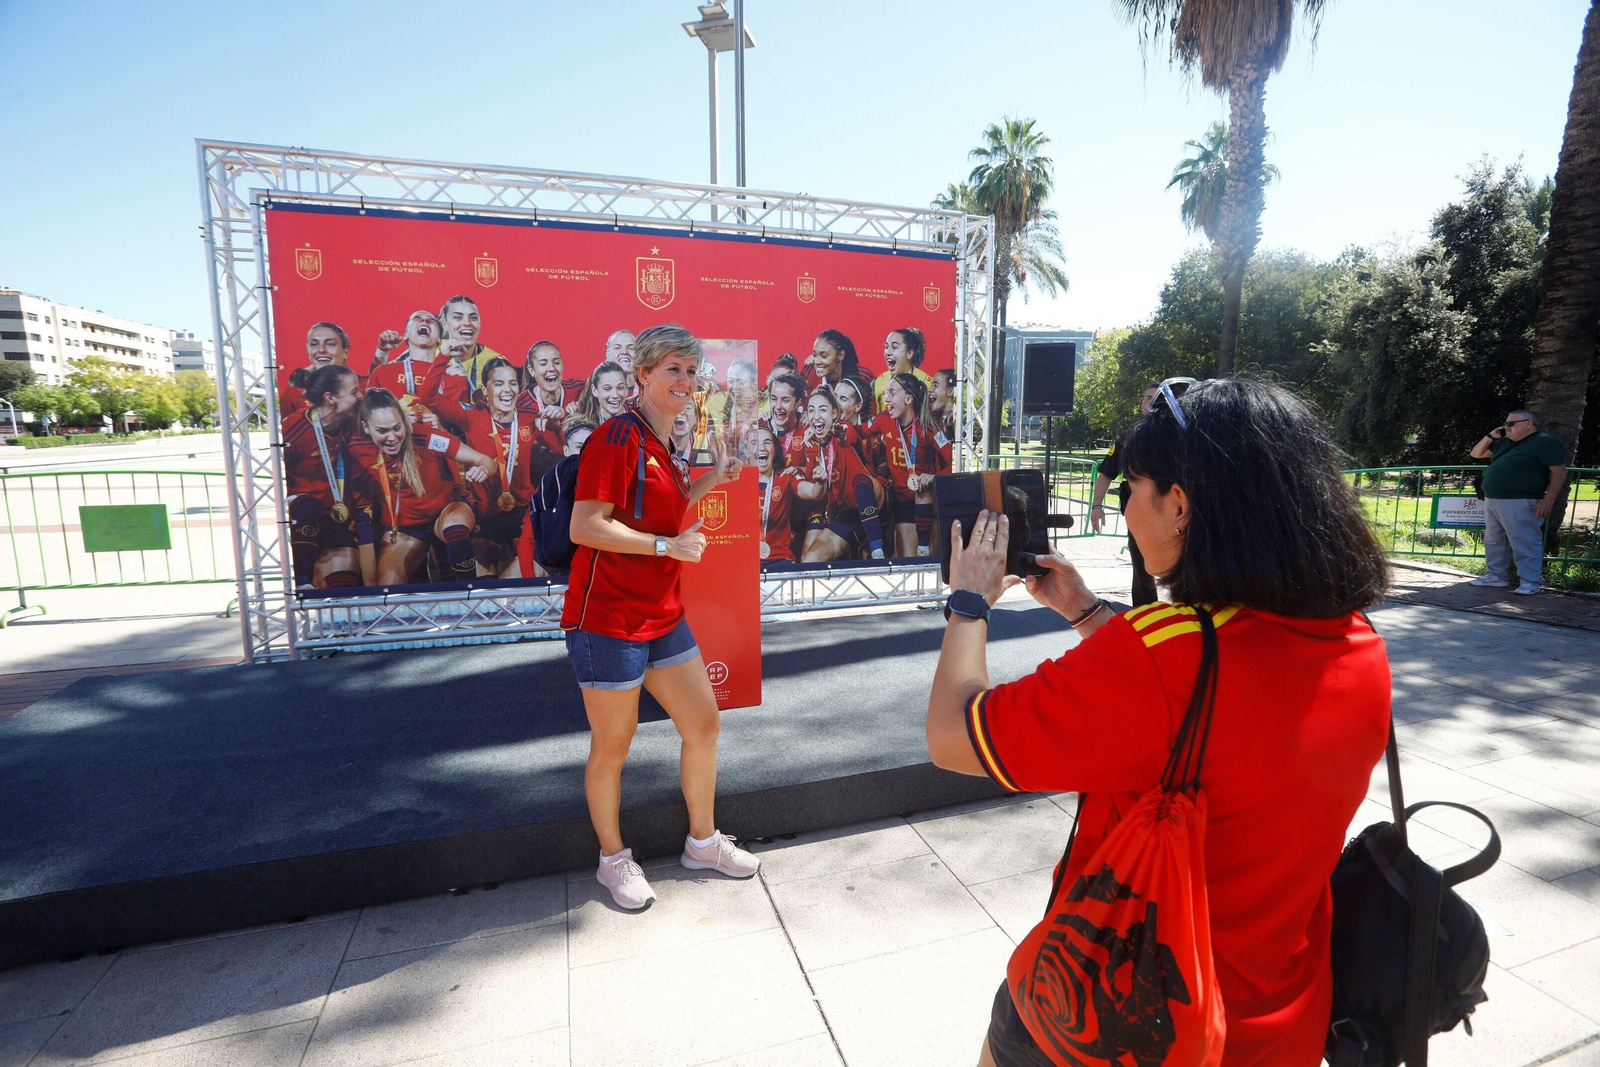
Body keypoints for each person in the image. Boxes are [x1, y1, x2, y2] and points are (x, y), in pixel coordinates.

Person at [925, 378, 1391, 1067]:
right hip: (1281, 1021)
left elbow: (955, 735)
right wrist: (1088, 614)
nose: (1124, 508)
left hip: (1121, 1021)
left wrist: (969, 601)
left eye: (1130, 489)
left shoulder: (1160, 654)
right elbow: (1209, 707)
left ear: (1179, 505)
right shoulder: (1360, 643)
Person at [562, 324, 758, 910]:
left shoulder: (663, 437)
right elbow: (586, 526)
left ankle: (702, 843)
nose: (685, 382)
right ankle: (612, 862)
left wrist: (709, 481)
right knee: (613, 746)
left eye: (692, 372)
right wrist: (664, 550)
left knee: (703, 725)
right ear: (642, 374)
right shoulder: (616, 437)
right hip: (607, 619)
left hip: (660, 612)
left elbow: (659, 511)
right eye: (673, 369)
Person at [347, 388, 493, 586]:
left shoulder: (426, 437)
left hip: (445, 512)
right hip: (406, 527)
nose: (392, 437)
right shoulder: (356, 448)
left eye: (397, 427)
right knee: (387, 592)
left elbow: (486, 461)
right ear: (366, 428)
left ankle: (468, 597)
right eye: (382, 431)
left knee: (455, 529)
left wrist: (483, 468)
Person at [460, 359, 551, 578]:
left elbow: (563, 446)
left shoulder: (531, 419)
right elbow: (432, 399)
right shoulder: (471, 419)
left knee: (512, 587)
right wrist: (444, 359)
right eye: (499, 383)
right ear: (485, 390)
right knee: (483, 591)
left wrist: (558, 419)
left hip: (522, 514)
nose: (508, 390)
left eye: (513, 383)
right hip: (486, 518)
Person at [1468, 409, 1569, 595]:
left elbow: (1559, 472)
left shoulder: (1544, 442)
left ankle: (1530, 581)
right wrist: (1491, 435)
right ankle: (1496, 576)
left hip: (1520, 499)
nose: (1507, 427)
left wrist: (1548, 500)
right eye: (1505, 424)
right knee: (1494, 540)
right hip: (1493, 498)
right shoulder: (1504, 443)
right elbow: (1476, 453)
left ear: (1528, 423)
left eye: (1511, 424)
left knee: (1525, 541)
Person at [281, 364, 363, 589]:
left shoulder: (353, 423)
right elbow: (272, 477)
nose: (360, 396)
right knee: (307, 506)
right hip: (304, 519)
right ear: (330, 398)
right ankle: (303, 583)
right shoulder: (295, 429)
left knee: (342, 590)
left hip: (337, 518)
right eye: (354, 392)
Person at [793, 387, 888, 562]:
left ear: (834, 413)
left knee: (861, 481)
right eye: (811, 410)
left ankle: (877, 550)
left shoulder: (844, 427)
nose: (816, 416)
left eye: (823, 409)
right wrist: (809, 474)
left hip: (876, 502)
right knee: (810, 560)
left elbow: (847, 437)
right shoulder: (812, 446)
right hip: (847, 514)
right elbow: (814, 485)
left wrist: (842, 435)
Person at [1090, 383, 1163, 607]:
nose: (1146, 402)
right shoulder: (1130, 436)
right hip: (1139, 512)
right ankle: (1144, 614)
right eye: (1145, 397)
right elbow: (1106, 473)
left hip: (1173, 513)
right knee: (1142, 569)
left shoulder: (1182, 434)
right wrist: (1096, 506)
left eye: (1153, 398)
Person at [863, 373, 947, 556]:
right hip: (901, 502)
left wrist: (934, 477)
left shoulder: (929, 428)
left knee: (922, 491)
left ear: (908, 399)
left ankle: (925, 543)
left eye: (892, 393)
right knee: (907, 564)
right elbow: (859, 432)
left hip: (925, 502)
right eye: (886, 393)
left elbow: (951, 464)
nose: (886, 398)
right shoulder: (884, 420)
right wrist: (841, 428)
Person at [751, 425, 819, 563]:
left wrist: (821, 482)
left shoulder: (785, 477)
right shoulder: (736, 483)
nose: (761, 447)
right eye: (754, 443)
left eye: (767, 442)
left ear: (775, 450)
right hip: (747, 559)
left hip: (780, 558)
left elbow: (814, 493)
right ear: (745, 450)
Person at [281, 322, 356, 418]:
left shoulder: (362, 388)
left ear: (345, 352)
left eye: (330, 344)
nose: (321, 350)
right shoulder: (294, 394)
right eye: (314, 344)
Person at [438, 295, 505, 397]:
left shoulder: (496, 363)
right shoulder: (430, 351)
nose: (467, 323)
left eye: (473, 318)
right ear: (445, 324)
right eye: (458, 317)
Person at [804, 329, 875, 417]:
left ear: (841, 355)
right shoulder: (808, 373)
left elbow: (871, 417)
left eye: (824, 356)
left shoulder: (862, 376)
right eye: (814, 355)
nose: (816, 361)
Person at [873, 327, 934, 409]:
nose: (888, 352)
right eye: (886, 347)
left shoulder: (927, 383)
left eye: (894, 347)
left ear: (909, 353)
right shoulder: (880, 381)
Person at [572, 361, 630, 428]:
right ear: (595, 390)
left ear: (626, 389)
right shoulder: (584, 426)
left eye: (620, 388)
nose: (615, 395)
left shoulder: (638, 417)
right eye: (607, 388)